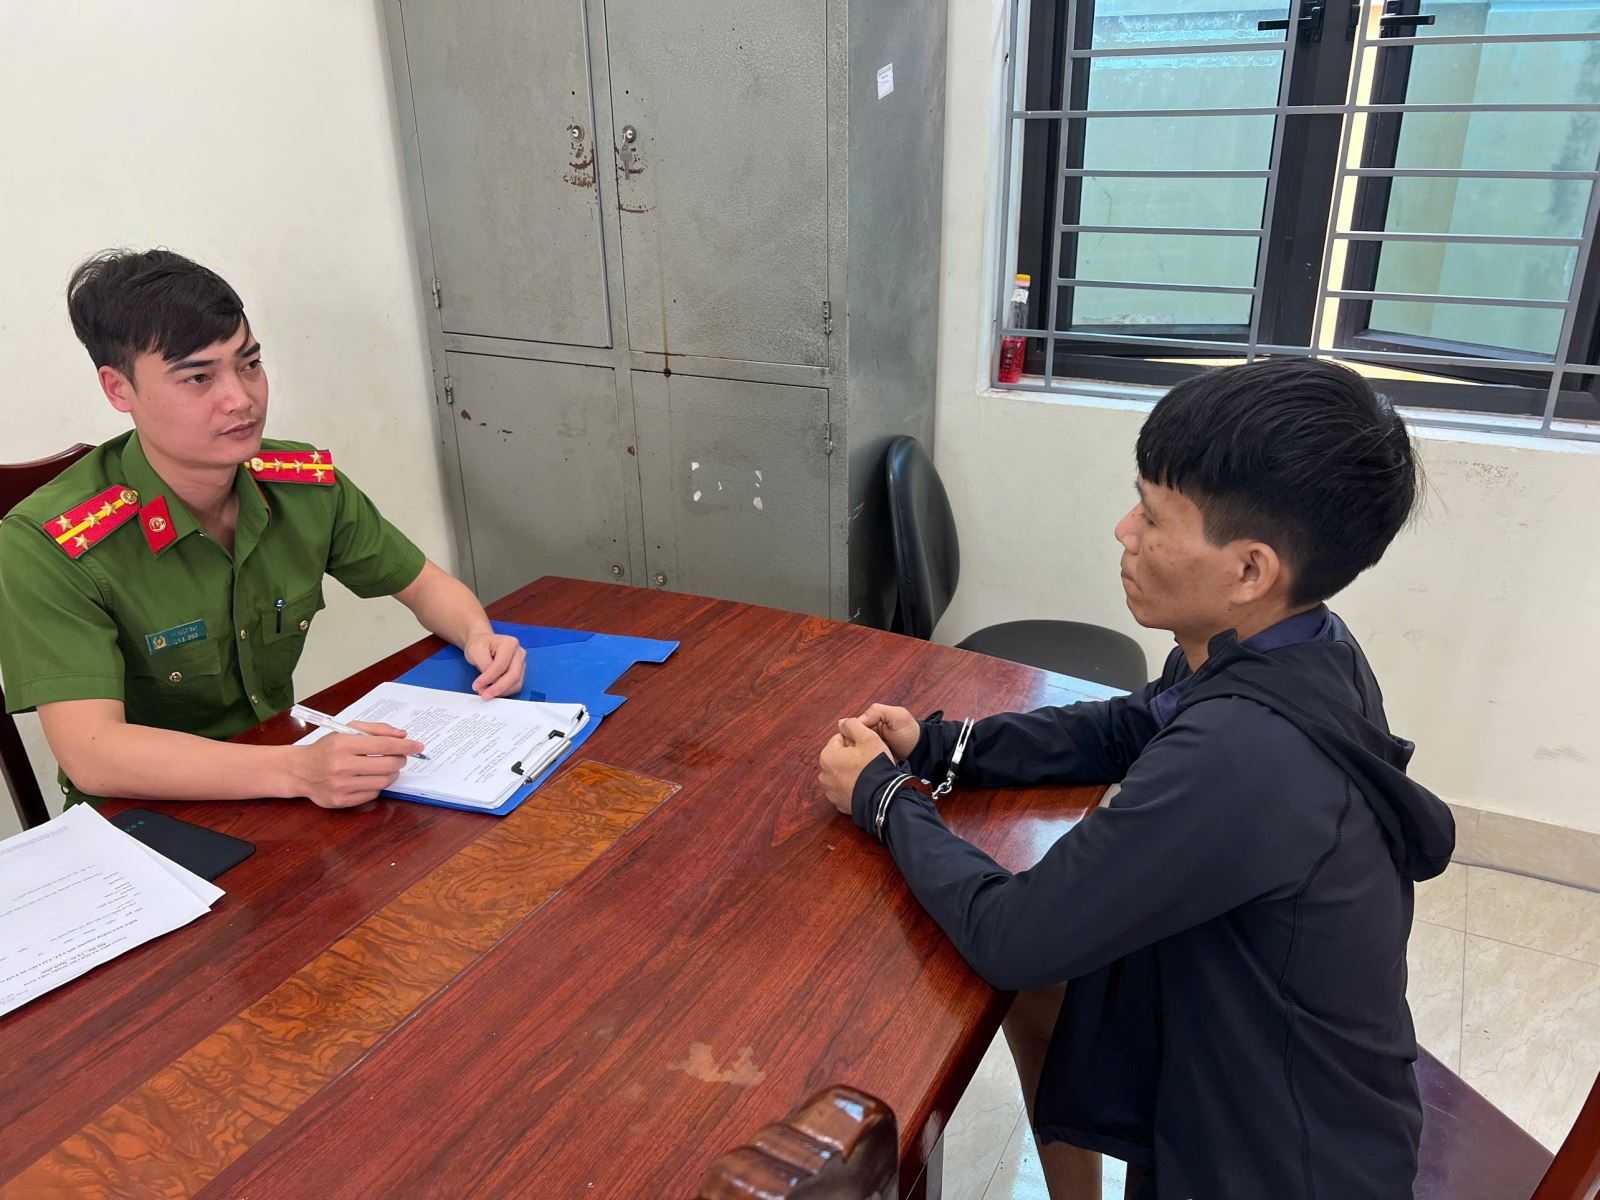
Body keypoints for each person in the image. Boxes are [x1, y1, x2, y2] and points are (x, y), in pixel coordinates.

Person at [817, 358, 1454, 1199]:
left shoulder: (1243, 755)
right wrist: (941, 747)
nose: (1124, 529)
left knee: (1021, 969)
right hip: (1283, 1081)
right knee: (1047, 990)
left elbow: (1013, 935)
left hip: (1274, 1162)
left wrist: (882, 797)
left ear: (1251, 569)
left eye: (1153, 516)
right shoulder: (1299, 646)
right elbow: (1131, 723)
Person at [0, 249, 525, 811]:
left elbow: (422, 584)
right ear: (118, 389)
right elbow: (94, 754)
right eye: (199, 377)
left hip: (286, 782)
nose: (241, 399)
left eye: (249, 364)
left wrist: (477, 635)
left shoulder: (301, 485)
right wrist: (296, 770)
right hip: (144, 819)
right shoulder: (49, 544)